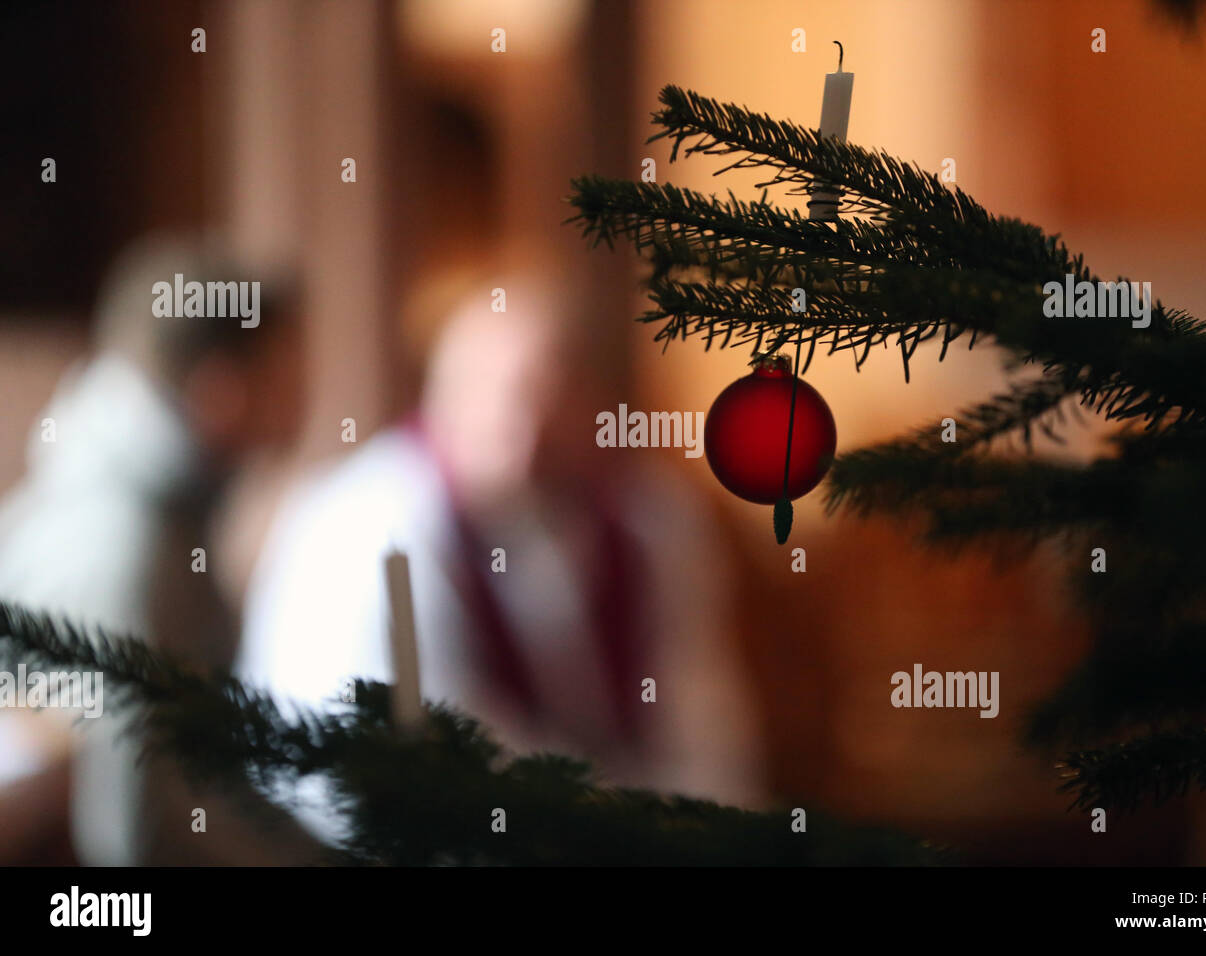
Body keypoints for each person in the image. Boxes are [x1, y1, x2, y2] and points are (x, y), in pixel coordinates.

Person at [237, 275, 764, 847]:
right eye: (500, 393)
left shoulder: (644, 519)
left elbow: (701, 715)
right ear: (445, 394)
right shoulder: (372, 525)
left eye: (552, 395)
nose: (527, 428)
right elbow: (421, 750)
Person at [0, 233, 321, 865]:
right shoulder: (125, 542)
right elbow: (142, 835)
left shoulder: (150, 508)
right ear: (220, 389)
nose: (305, 400)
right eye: (288, 374)